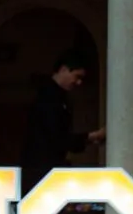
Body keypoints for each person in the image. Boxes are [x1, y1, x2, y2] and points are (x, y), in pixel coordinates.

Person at [20, 49, 104, 193]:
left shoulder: (54, 95)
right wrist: (91, 137)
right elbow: (56, 137)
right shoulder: (48, 97)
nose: (78, 82)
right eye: (76, 76)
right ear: (64, 69)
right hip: (41, 172)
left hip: (44, 171)